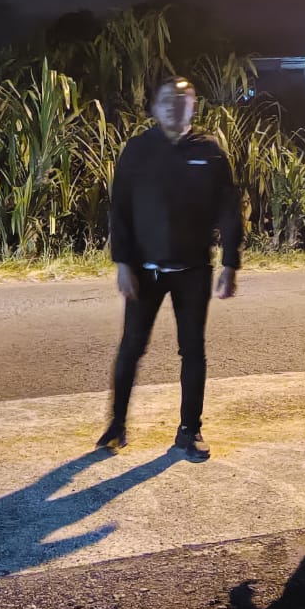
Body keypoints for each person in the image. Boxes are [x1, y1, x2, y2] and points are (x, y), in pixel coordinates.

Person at [101, 75, 243, 459]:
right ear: (155, 107)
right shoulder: (138, 150)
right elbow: (120, 210)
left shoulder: (209, 151)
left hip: (194, 270)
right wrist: (122, 263)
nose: (175, 106)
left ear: (193, 106)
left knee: (192, 350)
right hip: (144, 271)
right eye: (167, 100)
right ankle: (116, 424)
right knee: (132, 346)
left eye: (183, 100)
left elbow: (229, 209)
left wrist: (230, 263)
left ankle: (189, 430)